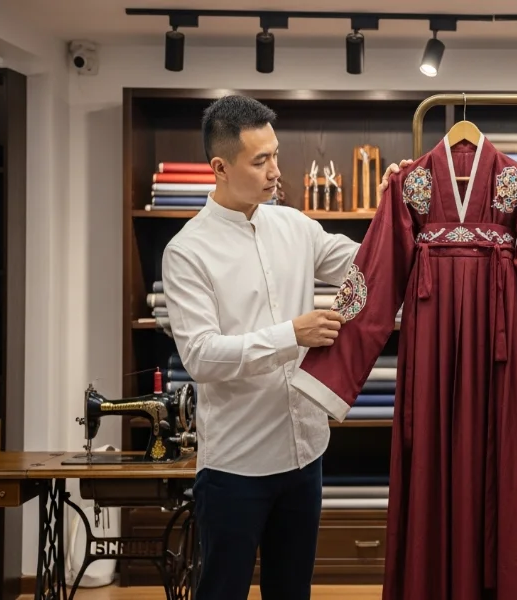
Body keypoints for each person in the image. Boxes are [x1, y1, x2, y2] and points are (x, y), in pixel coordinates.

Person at [161, 94, 410, 600]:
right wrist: (291, 335)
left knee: (293, 591)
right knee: (222, 592)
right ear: (220, 168)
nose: (276, 170)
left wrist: (394, 208)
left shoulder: (294, 226)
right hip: (235, 467)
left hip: (305, 459)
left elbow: (366, 266)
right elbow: (202, 356)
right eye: (261, 160)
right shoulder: (187, 252)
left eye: (275, 154)